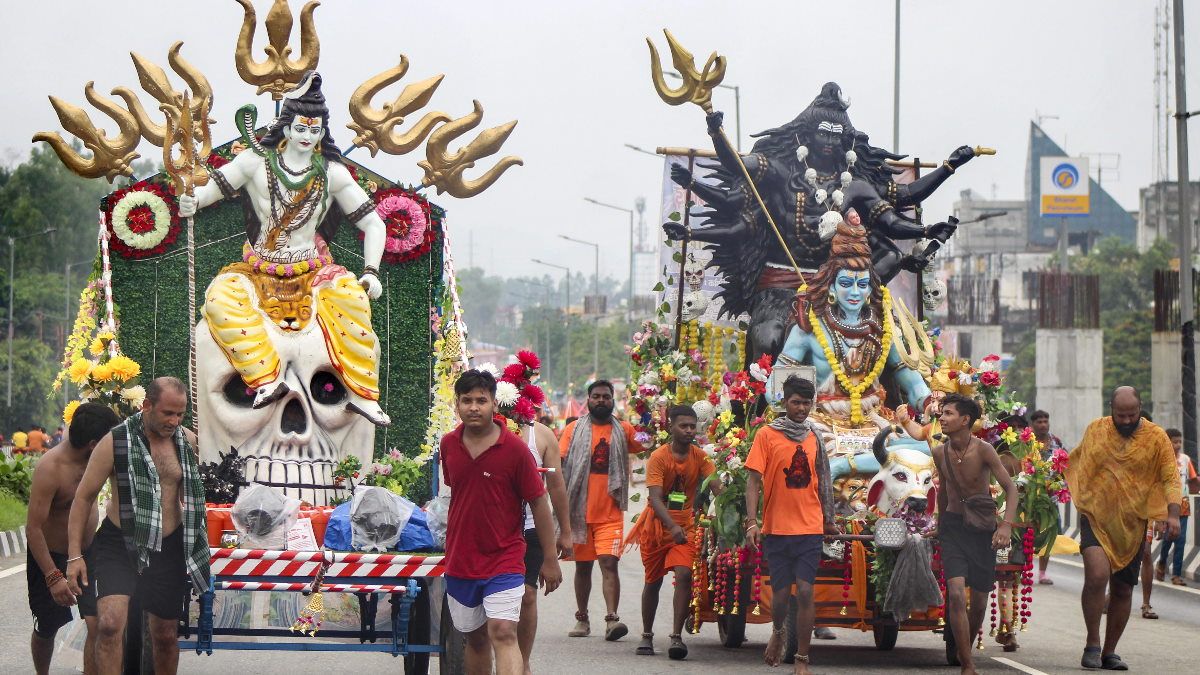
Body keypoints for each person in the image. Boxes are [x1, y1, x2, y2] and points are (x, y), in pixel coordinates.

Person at [178, 71, 391, 426]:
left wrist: (371, 272)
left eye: (315, 129)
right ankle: (266, 380)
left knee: (352, 298)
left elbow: (373, 223)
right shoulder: (253, 163)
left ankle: (362, 395)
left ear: (322, 132)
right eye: (301, 128)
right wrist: (191, 201)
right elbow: (209, 193)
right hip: (258, 268)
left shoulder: (332, 173)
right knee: (218, 300)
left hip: (312, 271)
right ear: (287, 128)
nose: (307, 136)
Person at [65, 377, 209, 675]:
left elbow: (192, 497)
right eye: (168, 413)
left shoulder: (188, 442)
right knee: (108, 625)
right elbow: (83, 498)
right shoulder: (115, 441)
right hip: (120, 543)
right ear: (146, 406)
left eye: (180, 414)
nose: (174, 421)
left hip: (168, 545)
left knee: (167, 635)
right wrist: (74, 556)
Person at [440, 370, 561, 675]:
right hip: (461, 560)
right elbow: (455, 491)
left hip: (505, 558)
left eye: (481, 400)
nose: (474, 407)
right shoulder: (448, 445)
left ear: (494, 403)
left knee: (504, 632)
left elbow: (538, 502)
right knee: (477, 639)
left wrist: (550, 558)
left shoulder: (516, 450)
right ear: (457, 405)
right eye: (466, 400)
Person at [1066, 386, 1181, 671]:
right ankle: (1092, 643)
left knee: (1122, 589)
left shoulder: (1156, 438)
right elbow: (1080, 464)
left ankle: (1109, 652)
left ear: (1141, 408)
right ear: (1111, 409)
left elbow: (1170, 478)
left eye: (1132, 414)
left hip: (1133, 522)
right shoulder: (1096, 430)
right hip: (1096, 516)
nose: (1127, 420)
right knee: (1096, 576)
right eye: (1121, 415)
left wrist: (1174, 515)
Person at [744, 375, 837, 675]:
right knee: (781, 596)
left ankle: (802, 659)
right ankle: (779, 631)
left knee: (807, 591)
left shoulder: (814, 437)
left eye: (807, 403)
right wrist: (751, 522)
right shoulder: (767, 435)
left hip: (809, 527)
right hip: (776, 528)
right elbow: (753, 481)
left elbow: (823, 481)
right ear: (785, 402)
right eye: (796, 402)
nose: (801, 408)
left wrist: (829, 520)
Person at [25, 403, 120, 675]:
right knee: (47, 626)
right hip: (51, 556)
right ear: (93, 443)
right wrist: (52, 576)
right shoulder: (51, 468)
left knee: (98, 622)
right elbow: (33, 528)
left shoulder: (100, 459)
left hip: (89, 553)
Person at [930, 393, 1018, 675]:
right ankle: (967, 663)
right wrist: (939, 524)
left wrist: (1005, 526)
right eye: (941, 413)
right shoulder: (939, 451)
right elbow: (944, 491)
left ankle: (963, 647)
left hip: (981, 529)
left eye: (948, 414)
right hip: (953, 528)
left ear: (965, 420)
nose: (941, 418)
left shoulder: (984, 450)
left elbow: (1011, 488)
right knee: (956, 594)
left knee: (979, 600)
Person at [629, 405, 719, 660]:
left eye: (692, 426)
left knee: (684, 574)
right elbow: (655, 499)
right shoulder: (659, 457)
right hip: (658, 527)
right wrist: (672, 526)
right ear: (671, 427)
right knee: (653, 582)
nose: (690, 430)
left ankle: (676, 637)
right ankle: (647, 635)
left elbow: (716, 487)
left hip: (686, 528)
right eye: (684, 426)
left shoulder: (701, 456)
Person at [560, 380, 643, 641]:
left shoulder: (625, 429)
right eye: (596, 396)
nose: (601, 401)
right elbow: (562, 465)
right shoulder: (573, 430)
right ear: (588, 400)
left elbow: (646, 442)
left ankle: (611, 620)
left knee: (609, 563)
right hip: (579, 514)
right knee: (583, 568)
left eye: (606, 397)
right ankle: (582, 619)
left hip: (610, 514)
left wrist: (654, 413)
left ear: (613, 400)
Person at [516, 418, 572, 675]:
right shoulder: (476, 430)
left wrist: (565, 533)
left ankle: (522, 662)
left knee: (527, 596)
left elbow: (556, 484)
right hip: (491, 530)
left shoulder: (542, 434)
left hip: (531, 527)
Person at [1156, 428, 1198, 586]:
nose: (1178, 444)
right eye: (1174, 442)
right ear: (1167, 442)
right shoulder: (1161, 460)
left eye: (1180, 441)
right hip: (1167, 504)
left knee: (1181, 539)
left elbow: (1193, 480)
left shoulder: (1186, 460)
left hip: (1184, 503)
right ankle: (1162, 561)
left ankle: (1176, 575)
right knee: (1168, 537)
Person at [1029, 409, 1063, 584]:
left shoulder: (1056, 442)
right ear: (1032, 424)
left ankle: (1042, 573)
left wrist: (1058, 485)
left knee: (1049, 534)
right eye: (1039, 421)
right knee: (1026, 534)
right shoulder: (1027, 442)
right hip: (1028, 498)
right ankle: (1022, 568)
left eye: (1045, 421)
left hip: (1050, 499)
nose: (1043, 424)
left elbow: (1064, 466)